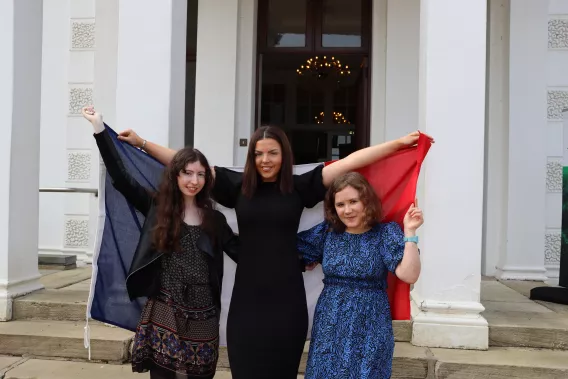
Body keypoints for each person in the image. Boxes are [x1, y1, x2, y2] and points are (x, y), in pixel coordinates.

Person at [115, 126, 432, 379]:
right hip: (247, 303)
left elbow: (350, 163)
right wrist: (142, 143)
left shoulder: (300, 187)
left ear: (284, 155)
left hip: (287, 304)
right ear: (252, 155)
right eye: (259, 153)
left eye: (273, 153)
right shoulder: (236, 186)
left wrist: (398, 144)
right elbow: (187, 166)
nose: (265, 159)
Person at [81, 106, 239, 379]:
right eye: (188, 173)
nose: (194, 180)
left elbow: (244, 252)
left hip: (204, 314)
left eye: (201, 174)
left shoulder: (215, 220)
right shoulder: (159, 208)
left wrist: (293, 258)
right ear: (176, 175)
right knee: (164, 374)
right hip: (165, 307)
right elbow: (122, 179)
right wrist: (99, 129)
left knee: (200, 375)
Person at [297, 172, 423, 379]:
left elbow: (409, 274)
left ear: (367, 201)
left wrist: (410, 233)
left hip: (371, 322)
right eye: (340, 204)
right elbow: (288, 249)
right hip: (331, 320)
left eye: (353, 201)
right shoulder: (327, 233)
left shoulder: (385, 233)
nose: (347, 210)